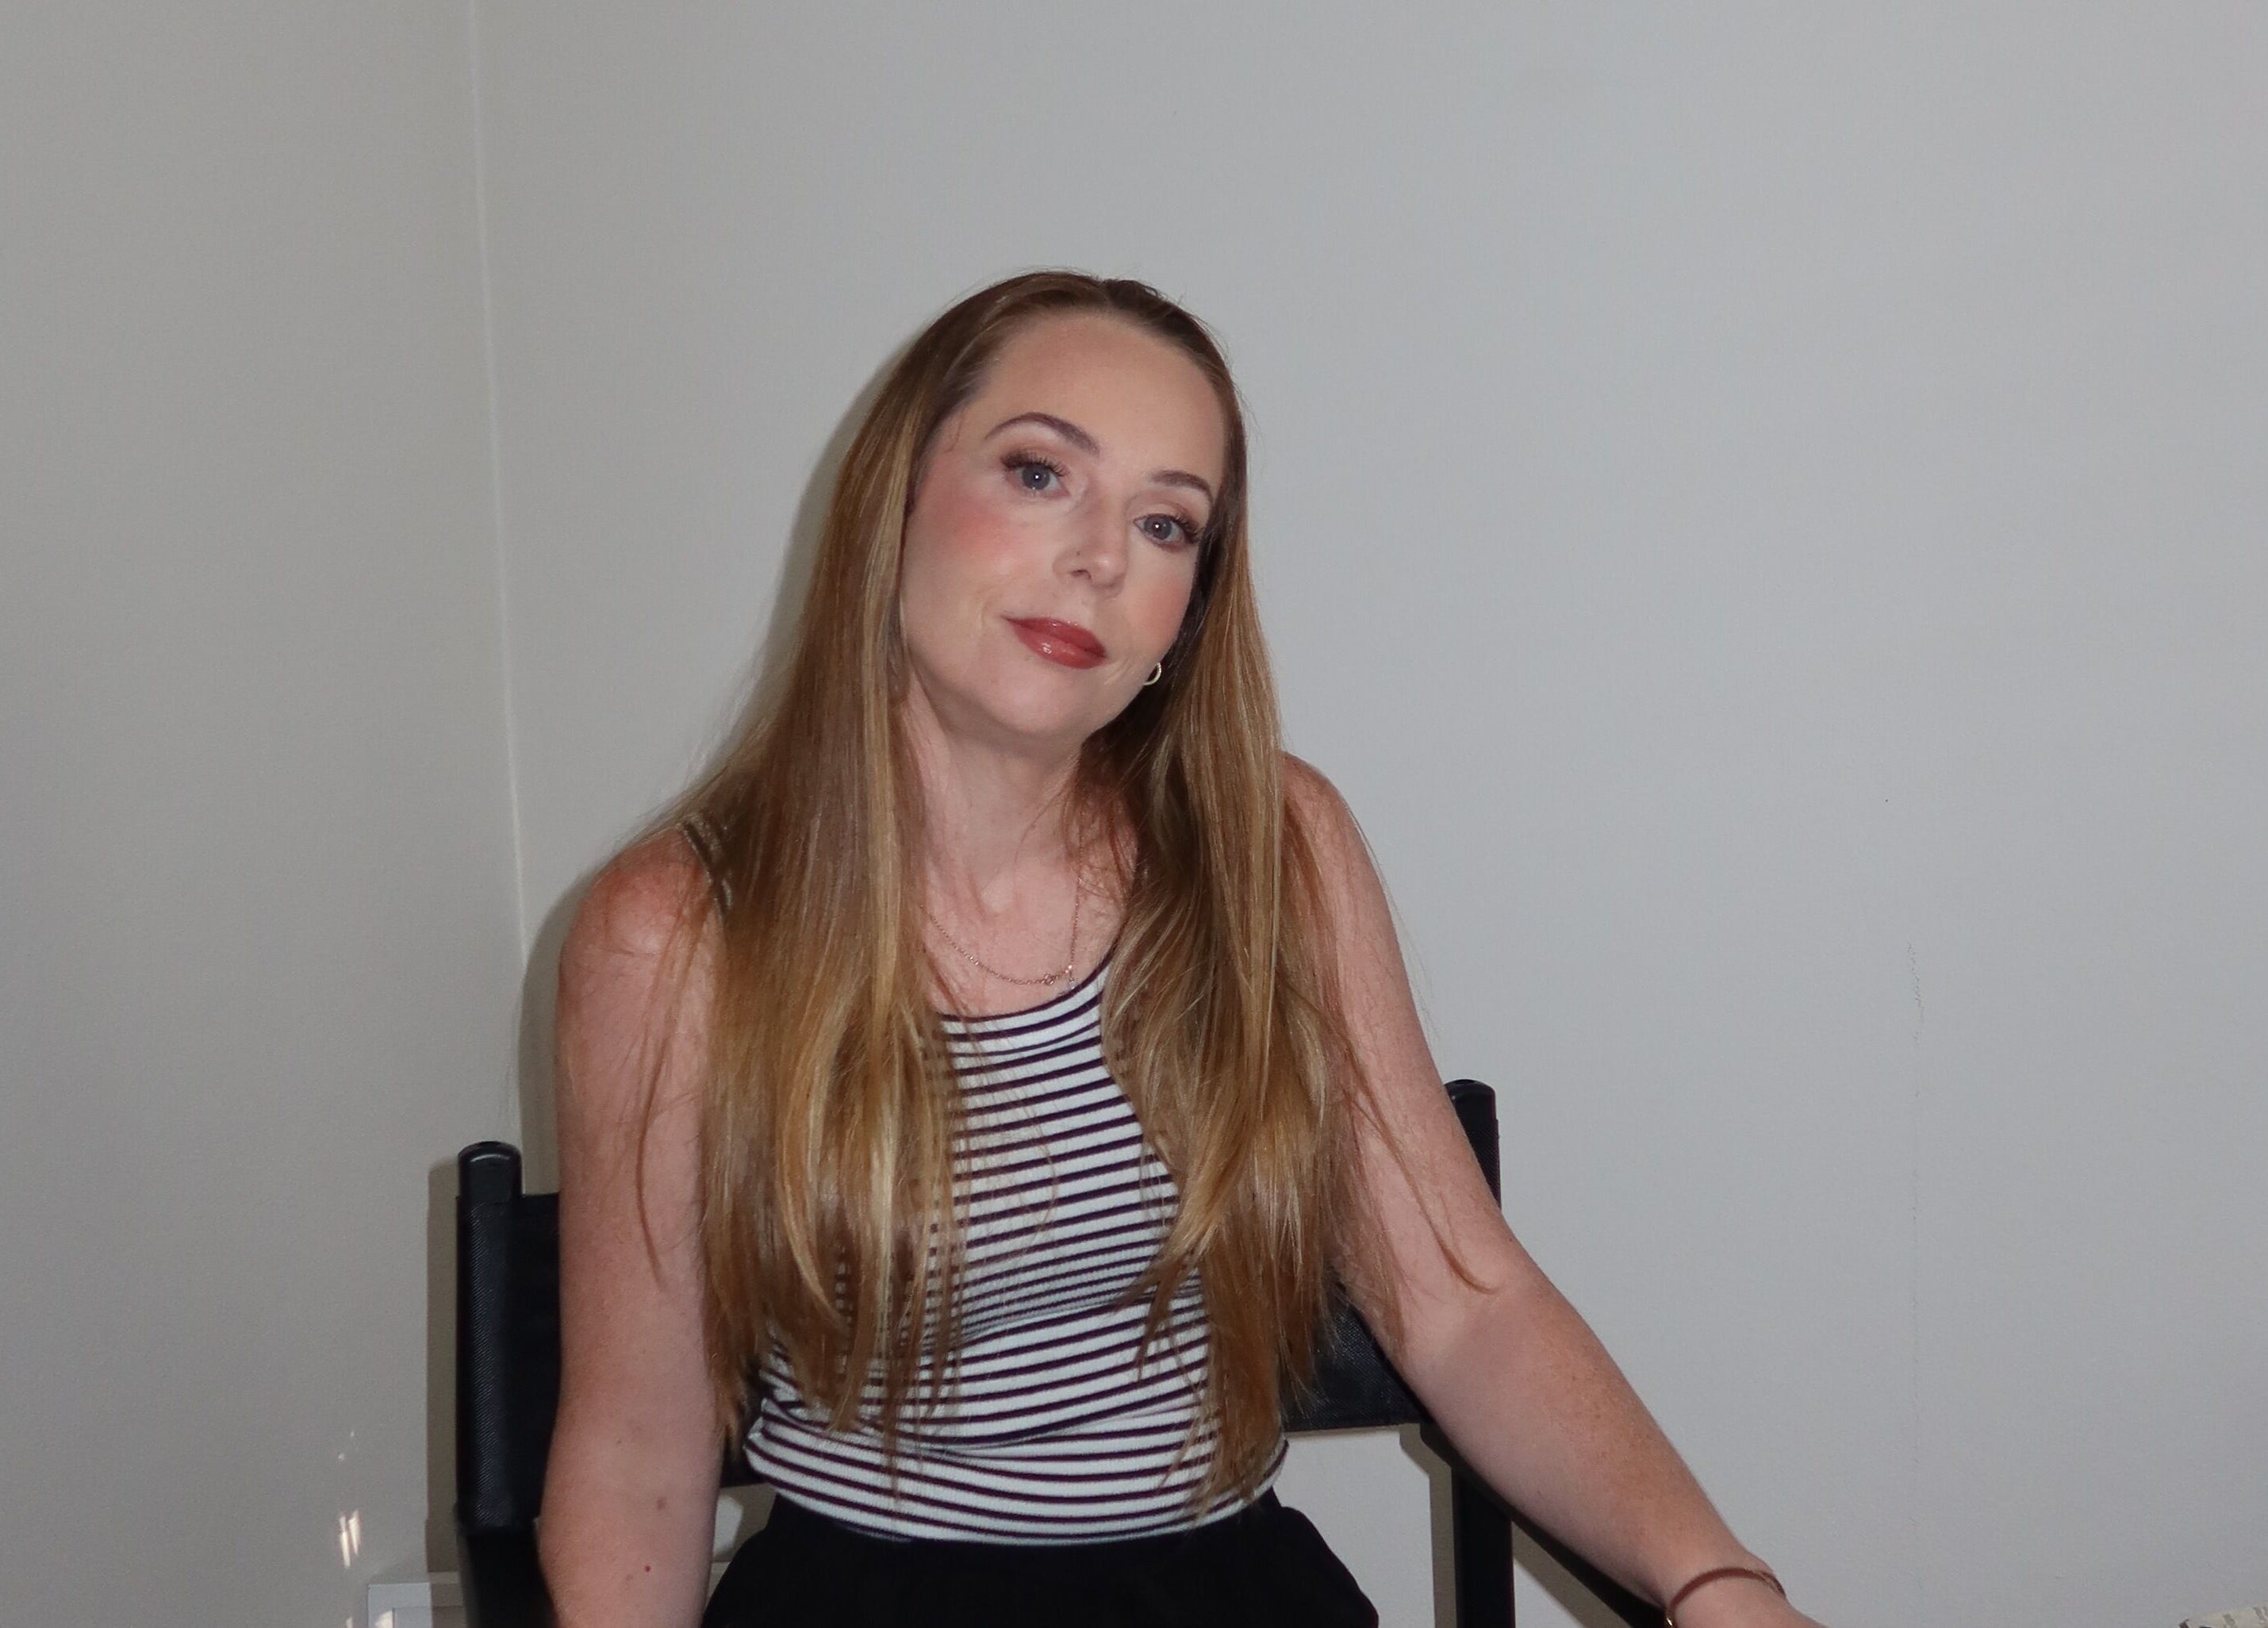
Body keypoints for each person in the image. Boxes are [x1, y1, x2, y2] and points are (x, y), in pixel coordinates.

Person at [536, 270, 1825, 1628]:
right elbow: (638, 1453)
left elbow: (1464, 1305)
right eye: (1040, 474)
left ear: (1183, 617)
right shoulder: (672, 935)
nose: (1101, 557)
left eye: (1165, 524)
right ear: (893, 500)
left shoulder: (1273, 850)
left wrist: (1717, 1584)